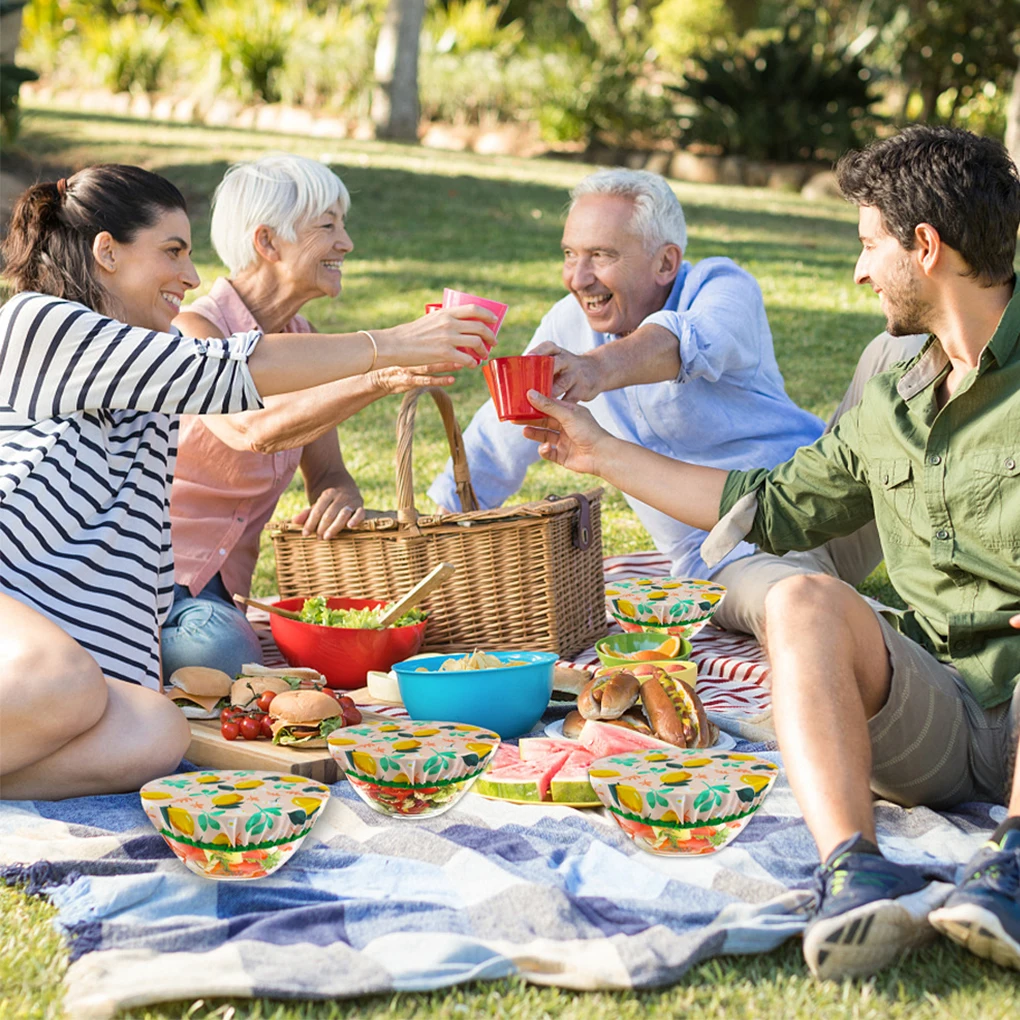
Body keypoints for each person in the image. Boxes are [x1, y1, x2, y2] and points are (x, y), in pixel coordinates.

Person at [520, 126, 1020, 978]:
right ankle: (856, 876)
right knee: (799, 599)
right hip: (940, 705)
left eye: (869, 246)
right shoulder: (896, 382)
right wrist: (595, 450)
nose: (860, 270)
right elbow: (776, 504)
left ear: (925, 248)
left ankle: (1009, 875)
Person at [0, 164, 495, 800]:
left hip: (65, 659)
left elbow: (145, 558)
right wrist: (393, 344)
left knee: (157, 732)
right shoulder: (41, 323)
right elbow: (221, 374)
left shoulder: (145, 390)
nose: (191, 275)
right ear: (107, 253)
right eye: (172, 252)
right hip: (23, 630)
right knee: (64, 679)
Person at [428, 169, 924, 643]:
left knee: (903, 349)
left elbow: (685, 342)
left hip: (830, 498)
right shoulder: (566, 326)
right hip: (728, 556)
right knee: (802, 609)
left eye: (601, 255)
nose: (578, 277)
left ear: (666, 262)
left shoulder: (722, 287)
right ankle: (912, 640)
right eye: (569, 254)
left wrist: (595, 368)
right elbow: (499, 437)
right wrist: (434, 530)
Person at [163, 154, 460, 678]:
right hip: (159, 576)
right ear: (268, 242)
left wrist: (340, 494)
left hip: (225, 587)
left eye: (342, 225)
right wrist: (379, 374)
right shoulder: (193, 331)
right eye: (327, 226)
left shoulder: (304, 340)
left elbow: (327, 472)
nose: (345, 243)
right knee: (225, 661)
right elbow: (252, 428)